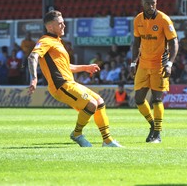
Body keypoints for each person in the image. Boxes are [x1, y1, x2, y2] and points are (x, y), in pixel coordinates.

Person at [27, 10, 122, 148]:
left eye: (63, 23)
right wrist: (34, 78)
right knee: (91, 104)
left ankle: (107, 141)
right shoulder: (45, 41)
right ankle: (77, 134)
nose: (64, 25)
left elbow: (65, 66)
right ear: (50, 27)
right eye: (60, 23)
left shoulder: (57, 42)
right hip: (61, 86)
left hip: (70, 83)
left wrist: (85, 67)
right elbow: (32, 57)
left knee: (100, 102)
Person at [130, 0, 179, 143]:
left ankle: (157, 133)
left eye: (153, 3)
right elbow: (136, 42)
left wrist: (170, 63)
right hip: (143, 64)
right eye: (147, 3)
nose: (151, 6)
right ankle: (152, 124)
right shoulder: (138, 20)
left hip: (160, 64)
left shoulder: (164, 20)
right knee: (138, 99)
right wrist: (133, 62)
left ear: (156, 1)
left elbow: (174, 43)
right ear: (142, 3)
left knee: (157, 99)